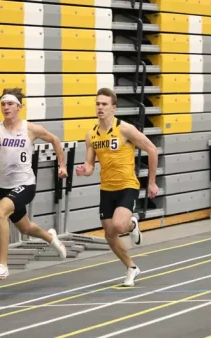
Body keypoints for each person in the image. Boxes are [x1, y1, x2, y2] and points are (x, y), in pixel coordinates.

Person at [0, 88, 68, 281]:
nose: (6, 107)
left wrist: (62, 165)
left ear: (19, 107)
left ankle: (2, 265)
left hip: (25, 185)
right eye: (3, 104)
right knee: (26, 228)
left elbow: (54, 139)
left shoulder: (30, 129)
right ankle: (51, 238)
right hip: (4, 187)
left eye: (10, 104)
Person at [76, 87, 159, 287]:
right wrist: (84, 170)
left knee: (119, 226)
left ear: (113, 108)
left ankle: (132, 224)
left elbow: (152, 149)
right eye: (97, 104)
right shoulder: (91, 135)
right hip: (107, 188)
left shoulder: (125, 129)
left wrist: (152, 182)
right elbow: (90, 165)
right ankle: (131, 267)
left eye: (104, 104)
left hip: (127, 185)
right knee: (109, 234)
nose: (100, 107)